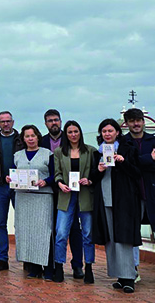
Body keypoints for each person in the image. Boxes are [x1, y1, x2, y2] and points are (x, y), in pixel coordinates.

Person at [122, 108, 155, 286]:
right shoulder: (124, 142)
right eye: (132, 121)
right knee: (133, 234)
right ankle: (133, 270)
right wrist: (149, 158)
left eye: (138, 120)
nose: (136, 124)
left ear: (143, 121)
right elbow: (126, 167)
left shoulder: (154, 139)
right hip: (133, 194)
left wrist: (140, 160)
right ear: (127, 123)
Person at [91, 119, 142, 293]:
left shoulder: (128, 149)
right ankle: (119, 276)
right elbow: (92, 179)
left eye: (110, 131)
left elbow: (137, 173)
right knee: (111, 239)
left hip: (124, 200)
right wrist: (98, 170)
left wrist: (122, 161)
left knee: (124, 238)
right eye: (104, 131)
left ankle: (129, 277)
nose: (107, 134)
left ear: (117, 132)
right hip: (105, 199)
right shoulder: (97, 153)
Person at [41, 109, 84, 279]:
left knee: (74, 229)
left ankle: (77, 265)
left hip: (69, 191)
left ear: (61, 121)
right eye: (50, 120)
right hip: (48, 191)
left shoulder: (70, 140)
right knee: (52, 230)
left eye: (56, 120)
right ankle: (51, 264)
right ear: (46, 123)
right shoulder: (42, 141)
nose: (54, 123)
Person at [52, 120, 96, 284]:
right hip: (66, 196)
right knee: (61, 233)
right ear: (66, 134)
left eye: (76, 131)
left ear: (80, 132)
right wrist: (60, 183)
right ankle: (59, 267)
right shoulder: (59, 152)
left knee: (87, 234)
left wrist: (89, 180)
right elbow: (57, 173)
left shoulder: (90, 151)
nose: (73, 135)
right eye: (70, 132)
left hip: (85, 196)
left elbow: (95, 173)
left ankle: (89, 267)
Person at [10, 125, 54, 279]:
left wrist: (46, 181)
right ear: (23, 139)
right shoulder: (17, 155)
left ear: (38, 137)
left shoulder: (47, 154)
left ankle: (48, 268)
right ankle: (34, 267)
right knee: (27, 232)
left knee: (44, 233)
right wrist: (10, 178)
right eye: (27, 136)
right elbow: (12, 172)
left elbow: (55, 175)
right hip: (23, 198)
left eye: (33, 135)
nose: (30, 138)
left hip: (42, 197)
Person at [0, 111, 23, 271]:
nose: (6, 124)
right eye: (2, 121)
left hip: (20, 187)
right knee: (0, 223)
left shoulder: (23, 139)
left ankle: (26, 258)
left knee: (22, 223)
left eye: (8, 121)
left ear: (13, 122)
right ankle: (2, 259)